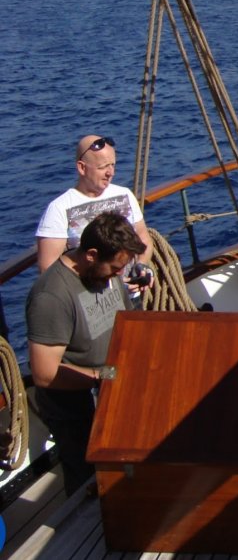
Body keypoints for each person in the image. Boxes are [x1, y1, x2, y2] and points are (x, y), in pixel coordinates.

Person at [26, 212, 146, 495]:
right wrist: (103, 376)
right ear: (91, 254)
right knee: (87, 482)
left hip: (112, 387)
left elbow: (126, 318)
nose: (120, 275)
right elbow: (45, 374)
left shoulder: (106, 272)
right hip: (76, 406)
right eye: (115, 269)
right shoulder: (51, 297)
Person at [35, 135, 154, 295]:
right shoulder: (59, 209)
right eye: (103, 167)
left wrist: (142, 265)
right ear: (82, 168)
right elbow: (49, 270)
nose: (110, 173)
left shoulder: (125, 194)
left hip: (130, 298)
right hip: (91, 307)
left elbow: (144, 238)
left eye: (113, 165)